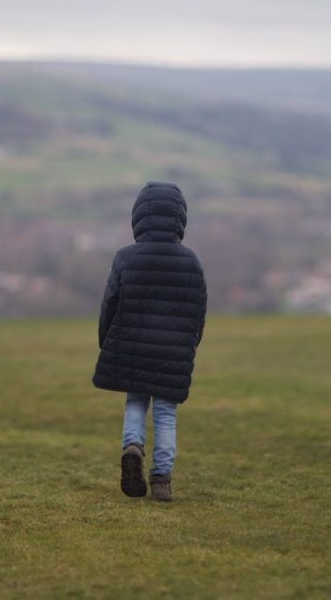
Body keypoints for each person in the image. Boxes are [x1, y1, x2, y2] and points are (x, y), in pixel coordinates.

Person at [92, 182, 208, 502]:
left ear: (139, 215)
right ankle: (161, 480)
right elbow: (199, 311)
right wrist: (190, 345)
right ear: (180, 218)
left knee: (136, 401)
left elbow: (109, 304)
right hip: (174, 352)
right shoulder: (191, 261)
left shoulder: (125, 257)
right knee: (166, 413)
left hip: (132, 347)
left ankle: (132, 447)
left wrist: (107, 343)